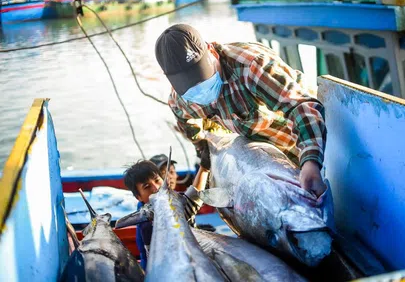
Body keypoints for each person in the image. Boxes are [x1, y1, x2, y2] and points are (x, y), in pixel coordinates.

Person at [154, 24, 328, 207]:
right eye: (191, 87)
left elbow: (301, 106)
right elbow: (182, 117)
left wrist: (310, 161)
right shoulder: (181, 99)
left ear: (211, 51)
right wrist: (202, 146)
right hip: (262, 159)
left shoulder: (252, 66)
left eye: (202, 78)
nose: (200, 90)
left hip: (311, 145)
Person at [124, 154, 210, 269]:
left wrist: (204, 168)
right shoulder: (149, 218)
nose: (156, 188)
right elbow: (193, 197)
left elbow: (193, 196)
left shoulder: (146, 210)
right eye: (147, 187)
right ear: (138, 197)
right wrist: (203, 170)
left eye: (157, 181)